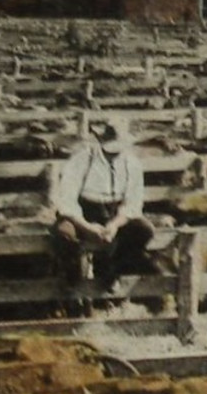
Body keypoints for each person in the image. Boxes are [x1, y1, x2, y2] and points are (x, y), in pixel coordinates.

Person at [50, 117, 156, 311]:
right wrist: (88, 227)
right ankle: (71, 279)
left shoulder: (132, 164)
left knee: (145, 230)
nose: (113, 155)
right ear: (100, 143)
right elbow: (67, 202)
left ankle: (112, 272)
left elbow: (133, 204)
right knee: (63, 234)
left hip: (114, 214)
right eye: (109, 150)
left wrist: (115, 224)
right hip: (82, 213)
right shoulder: (81, 160)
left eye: (118, 149)